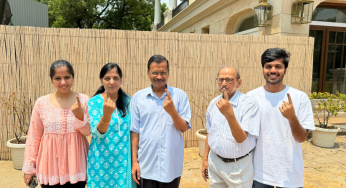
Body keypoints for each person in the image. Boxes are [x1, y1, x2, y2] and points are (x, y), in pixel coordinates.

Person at [247, 48, 315, 188]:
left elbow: (302, 138)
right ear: (263, 69)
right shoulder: (251, 97)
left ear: (285, 70)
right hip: (259, 174)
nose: (273, 70)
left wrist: (292, 118)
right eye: (268, 66)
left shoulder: (300, 98)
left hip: (290, 176)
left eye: (278, 66)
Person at [22, 60, 90, 187]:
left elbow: (87, 132)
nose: (63, 82)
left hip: (76, 166)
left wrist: (79, 115)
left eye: (67, 77)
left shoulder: (84, 100)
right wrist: (29, 168)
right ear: (52, 80)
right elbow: (34, 136)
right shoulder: (41, 103)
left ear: (73, 78)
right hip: (49, 166)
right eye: (58, 78)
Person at [130, 55, 191, 188]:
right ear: (148, 73)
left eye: (163, 73)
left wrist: (172, 111)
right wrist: (134, 162)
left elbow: (183, 128)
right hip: (146, 165)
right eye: (155, 73)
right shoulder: (137, 98)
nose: (159, 76)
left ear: (168, 73)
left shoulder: (180, 96)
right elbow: (135, 132)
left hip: (171, 165)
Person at [201, 66, 260, 188]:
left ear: (239, 82)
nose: (224, 84)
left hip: (238, 168)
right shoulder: (213, 103)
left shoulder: (249, 104)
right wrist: (205, 159)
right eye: (220, 80)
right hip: (215, 163)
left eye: (229, 80)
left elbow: (240, 138)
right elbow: (210, 132)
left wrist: (229, 114)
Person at [87, 63, 136, 188]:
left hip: (123, 160)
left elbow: (133, 130)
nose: (112, 82)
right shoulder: (94, 102)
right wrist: (106, 116)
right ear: (101, 80)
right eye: (107, 78)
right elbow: (97, 133)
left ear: (121, 80)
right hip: (101, 162)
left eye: (116, 78)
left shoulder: (128, 101)